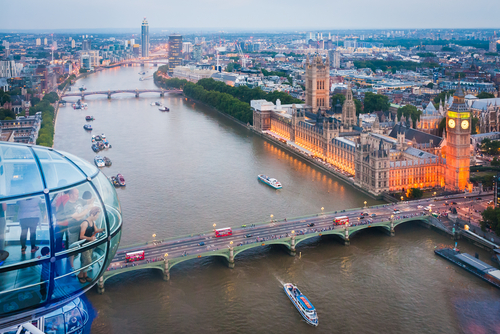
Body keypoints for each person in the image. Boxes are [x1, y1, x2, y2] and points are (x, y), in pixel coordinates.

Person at [63, 188, 92, 270]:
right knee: (72, 249)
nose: (78, 195)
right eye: (76, 194)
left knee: (83, 246)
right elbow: (77, 217)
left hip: (82, 229)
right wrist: (87, 209)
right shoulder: (68, 206)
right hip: (73, 230)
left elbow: (87, 201)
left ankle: (84, 266)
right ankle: (71, 267)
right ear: (71, 195)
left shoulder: (79, 200)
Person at [77, 207, 103, 283]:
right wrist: (90, 239)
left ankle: (85, 275)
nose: (97, 217)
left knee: (86, 260)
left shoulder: (92, 222)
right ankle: (80, 274)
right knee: (87, 260)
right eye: (96, 215)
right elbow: (81, 236)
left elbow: (96, 230)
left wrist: (105, 230)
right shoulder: (85, 223)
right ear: (92, 214)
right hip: (84, 245)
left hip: (89, 244)